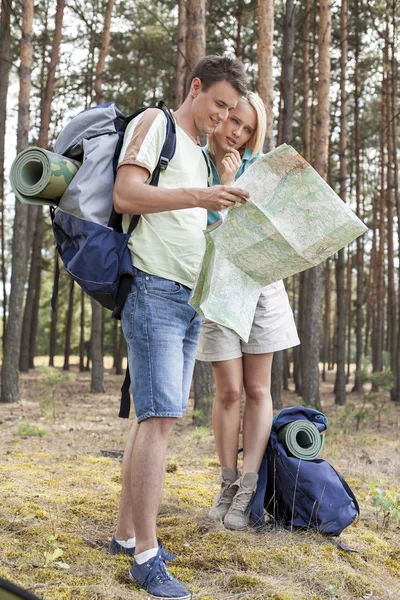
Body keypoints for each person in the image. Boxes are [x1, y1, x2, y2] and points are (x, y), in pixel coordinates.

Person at [110, 55, 249, 600]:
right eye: (218, 105)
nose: (223, 119)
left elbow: (193, 221)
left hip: (189, 298)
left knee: (152, 419)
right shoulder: (155, 125)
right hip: (153, 289)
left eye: (231, 110)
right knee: (160, 419)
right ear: (194, 89)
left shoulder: (197, 153)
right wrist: (200, 195)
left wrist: (222, 196)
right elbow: (127, 195)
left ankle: (126, 537)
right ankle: (146, 557)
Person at [196, 92, 300, 531]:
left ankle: (248, 489)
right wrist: (223, 184)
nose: (236, 132)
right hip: (220, 289)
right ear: (218, 116)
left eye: (247, 128)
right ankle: (226, 480)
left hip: (263, 288)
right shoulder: (195, 161)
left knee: (258, 391)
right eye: (233, 120)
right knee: (230, 393)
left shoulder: (265, 170)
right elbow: (201, 233)